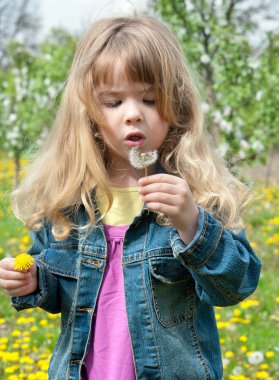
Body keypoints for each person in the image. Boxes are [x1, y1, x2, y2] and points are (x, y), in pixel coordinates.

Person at [0, 15, 261, 380]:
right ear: (88, 113)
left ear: (177, 106)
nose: (133, 114)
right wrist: (35, 282)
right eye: (113, 102)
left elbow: (238, 284)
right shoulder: (72, 203)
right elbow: (61, 284)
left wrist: (192, 224)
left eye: (150, 99)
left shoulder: (194, 196)